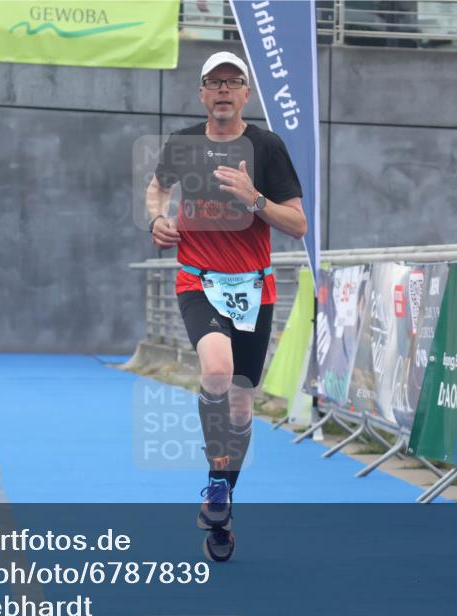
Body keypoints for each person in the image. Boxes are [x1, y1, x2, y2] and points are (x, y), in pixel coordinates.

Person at [145, 52, 306, 561]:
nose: (222, 90)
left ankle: (222, 499)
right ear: (201, 93)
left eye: (232, 82)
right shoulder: (183, 143)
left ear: (245, 94)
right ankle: (218, 481)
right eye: (213, 82)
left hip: (254, 289)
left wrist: (255, 199)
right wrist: (156, 219)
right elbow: (157, 188)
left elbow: (298, 224)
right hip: (199, 280)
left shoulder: (267, 147)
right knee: (216, 370)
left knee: (240, 404)